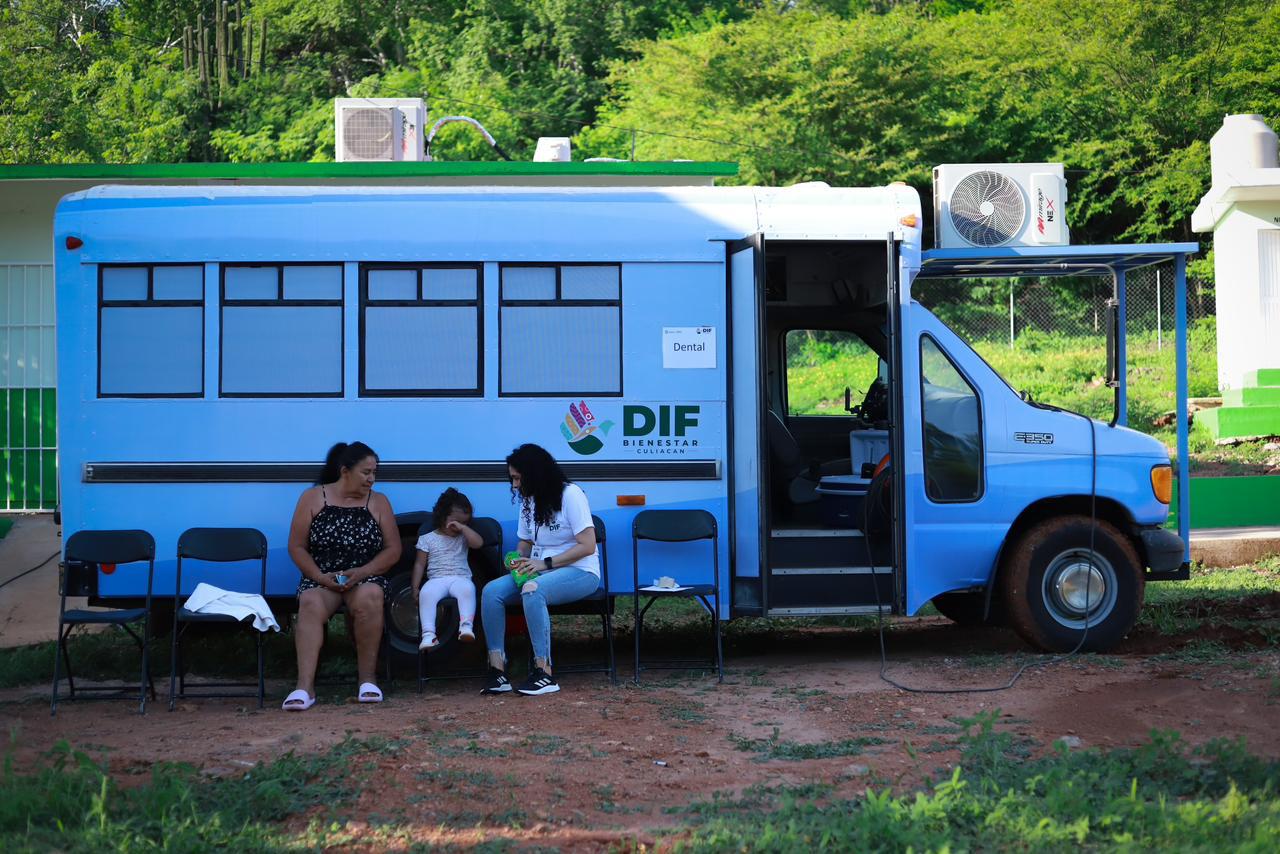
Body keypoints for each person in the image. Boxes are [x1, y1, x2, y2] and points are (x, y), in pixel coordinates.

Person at [282, 441, 400, 710]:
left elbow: (393, 549)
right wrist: (319, 577)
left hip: (364, 575)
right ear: (345, 471)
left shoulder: (379, 502)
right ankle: (304, 687)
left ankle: (367, 680)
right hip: (322, 577)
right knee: (310, 601)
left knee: (371, 596)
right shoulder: (312, 498)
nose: (371, 479)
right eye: (366, 472)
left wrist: (364, 571)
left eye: (374, 473)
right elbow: (296, 546)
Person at [480, 443, 600, 696]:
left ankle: (544, 671)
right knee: (491, 591)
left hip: (580, 572)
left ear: (534, 474)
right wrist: (517, 559)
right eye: (512, 479)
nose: (514, 485)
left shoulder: (571, 494)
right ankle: (497, 670)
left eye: (517, 478)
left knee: (533, 590)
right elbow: (525, 542)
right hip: (540, 571)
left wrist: (544, 564)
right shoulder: (528, 500)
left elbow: (588, 545)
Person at [412, 487, 483, 650]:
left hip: (460, 578)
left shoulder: (463, 537)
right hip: (436, 580)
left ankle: (466, 626)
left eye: (464, 523)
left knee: (468, 589)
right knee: (426, 593)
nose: (458, 526)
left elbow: (478, 543)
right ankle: (428, 634)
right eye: (455, 522)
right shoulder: (427, 539)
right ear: (442, 516)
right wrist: (415, 587)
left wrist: (464, 529)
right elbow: (419, 564)